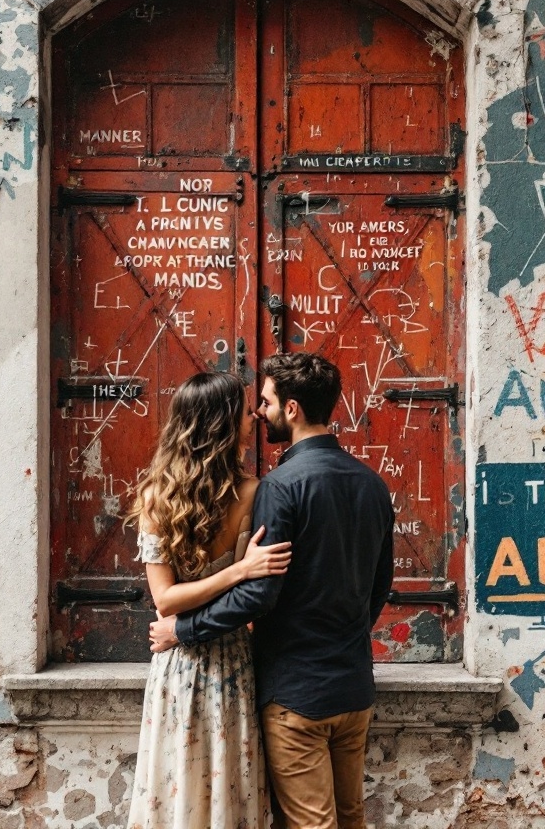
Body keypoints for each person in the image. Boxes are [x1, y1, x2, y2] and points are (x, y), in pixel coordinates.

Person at [150, 352, 395, 829]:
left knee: (311, 825)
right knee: (351, 819)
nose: (259, 413)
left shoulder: (280, 487)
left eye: (264, 402)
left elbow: (260, 594)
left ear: (293, 409)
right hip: (354, 688)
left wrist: (184, 629)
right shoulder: (373, 485)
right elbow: (379, 586)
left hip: (295, 694)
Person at [125, 370, 291, 829]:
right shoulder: (252, 494)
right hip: (228, 657)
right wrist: (240, 570)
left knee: (181, 793)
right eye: (244, 409)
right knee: (225, 792)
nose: (254, 416)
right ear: (221, 422)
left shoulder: (161, 495)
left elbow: (170, 599)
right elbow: (166, 600)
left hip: (178, 659)